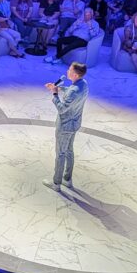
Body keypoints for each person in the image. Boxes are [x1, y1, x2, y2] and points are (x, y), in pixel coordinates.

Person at [44, 61, 88, 192]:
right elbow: (71, 91)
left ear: (74, 74)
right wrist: (57, 88)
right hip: (75, 124)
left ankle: (56, 183)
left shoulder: (73, 91)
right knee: (69, 151)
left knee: (61, 154)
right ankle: (67, 179)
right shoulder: (83, 84)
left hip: (65, 126)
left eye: (69, 70)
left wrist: (55, 94)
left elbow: (62, 109)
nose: (67, 71)